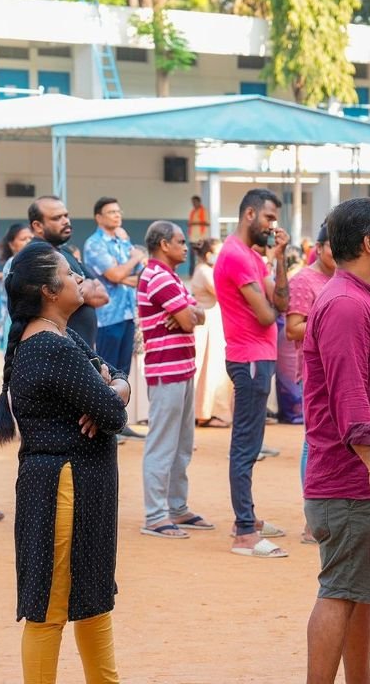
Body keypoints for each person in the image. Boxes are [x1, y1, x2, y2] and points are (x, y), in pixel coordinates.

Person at [0, 241, 130, 684]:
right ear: (50, 290)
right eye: (71, 275)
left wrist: (114, 388)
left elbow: (116, 386)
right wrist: (112, 394)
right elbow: (113, 413)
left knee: (93, 600)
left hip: (77, 486)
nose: (79, 279)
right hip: (63, 490)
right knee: (51, 608)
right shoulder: (52, 346)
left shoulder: (61, 337)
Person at [302, 197, 370, 684]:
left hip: (363, 482)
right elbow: (349, 396)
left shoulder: (362, 296)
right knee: (341, 592)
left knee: (357, 592)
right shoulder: (347, 304)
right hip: (352, 482)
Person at [213, 189, 291, 557]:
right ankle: (245, 532)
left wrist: (279, 258)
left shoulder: (252, 256)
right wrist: (271, 304)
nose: (272, 225)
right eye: (268, 218)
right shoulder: (236, 256)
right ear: (249, 214)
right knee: (245, 446)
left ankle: (246, 519)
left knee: (251, 444)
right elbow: (266, 315)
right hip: (250, 359)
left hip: (257, 357)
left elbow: (281, 302)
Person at [137, 221, 214, 539]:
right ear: (164, 244)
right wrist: (188, 313)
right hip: (167, 370)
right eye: (181, 242)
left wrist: (189, 313)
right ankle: (156, 515)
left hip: (180, 369)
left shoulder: (168, 277)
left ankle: (176, 507)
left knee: (181, 445)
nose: (186, 247)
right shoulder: (157, 277)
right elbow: (187, 319)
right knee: (163, 444)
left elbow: (200, 315)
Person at [286, 224, 335, 540]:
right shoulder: (305, 280)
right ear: (319, 247)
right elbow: (293, 328)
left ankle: (327, 514)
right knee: (314, 443)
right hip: (316, 373)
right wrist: (333, 321)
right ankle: (311, 520)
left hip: (340, 371)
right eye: (333, 247)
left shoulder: (341, 278)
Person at [27, 195, 109, 350]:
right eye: (57, 218)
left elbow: (103, 295)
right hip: (59, 350)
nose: (66, 221)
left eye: (66, 215)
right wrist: (88, 286)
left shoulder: (65, 252)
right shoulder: (37, 255)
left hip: (83, 349)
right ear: (38, 226)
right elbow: (59, 297)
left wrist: (75, 290)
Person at [83, 196, 146, 379]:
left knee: (123, 374)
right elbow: (116, 275)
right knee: (106, 373)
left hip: (128, 315)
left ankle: (120, 408)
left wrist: (121, 275)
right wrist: (135, 258)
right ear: (99, 217)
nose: (117, 215)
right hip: (107, 317)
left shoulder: (122, 242)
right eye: (111, 212)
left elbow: (142, 276)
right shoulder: (94, 244)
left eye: (118, 211)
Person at [190, 239, 232, 428]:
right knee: (206, 369)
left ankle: (210, 412)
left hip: (213, 323)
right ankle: (202, 413)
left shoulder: (207, 270)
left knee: (215, 371)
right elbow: (222, 291)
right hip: (206, 325)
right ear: (208, 255)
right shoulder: (205, 271)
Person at [0, 223, 34, 351]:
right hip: (17, 322)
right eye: (23, 239)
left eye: (31, 238)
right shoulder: (13, 263)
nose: (29, 242)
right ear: (12, 244)